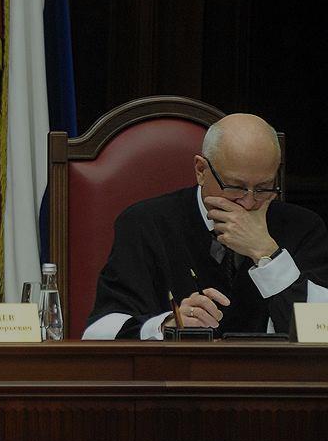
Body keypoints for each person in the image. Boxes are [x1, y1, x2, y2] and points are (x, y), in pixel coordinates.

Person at [84, 113, 328, 340]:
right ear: (201, 170)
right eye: (235, 186)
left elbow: (320, 331)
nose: (248, 202)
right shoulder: (145, 224)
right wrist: (167, 325)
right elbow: (97, 332)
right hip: (175, 371)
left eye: (264, 188)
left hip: (273, 372)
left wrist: (267, 254)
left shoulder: (303, 228)